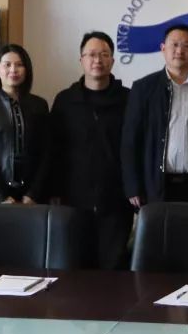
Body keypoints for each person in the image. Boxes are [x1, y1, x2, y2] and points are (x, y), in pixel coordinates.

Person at [50, 31, 132, 269]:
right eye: (92, 55)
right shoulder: (65, 100)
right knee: (75, 267)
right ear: (81, 60)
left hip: (116, 200)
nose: (98, 60)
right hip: (73, 200)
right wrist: (54, 190)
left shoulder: (129, 99)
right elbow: (54, 149)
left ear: (112, 60)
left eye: (104, 54)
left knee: (113, 268)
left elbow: (136, 148)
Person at [121, 24, 188, 206]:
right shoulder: (143, 88)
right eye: (174, 44)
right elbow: (130, 140)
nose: (179, 51)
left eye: (187, 45)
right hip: (155, 184)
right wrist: (133, 186)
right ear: (163, 48)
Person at [0, 44, 50, 204]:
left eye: (19, 65)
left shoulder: (39, 105)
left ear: (26, 70)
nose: (13, 70)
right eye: (7, 65)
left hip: (30, 195)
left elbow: (46, 151)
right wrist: (2, 197)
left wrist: (33, 193)